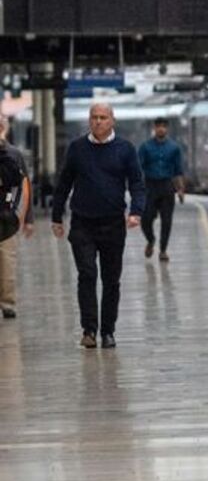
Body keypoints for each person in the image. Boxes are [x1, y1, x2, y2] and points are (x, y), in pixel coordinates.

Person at [50, 102, 145, 349]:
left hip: (113, 223)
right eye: (94, 117)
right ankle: (89, 330)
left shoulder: (125, 149)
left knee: (111, 280)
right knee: (87, 273)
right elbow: (64, 184)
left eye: (103, 117)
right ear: (89, 120)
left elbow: (136, 183)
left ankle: (108, 331)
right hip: (83, 223)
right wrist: (56, 217)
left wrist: (136, 212)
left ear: (112, 120)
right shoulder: (77, 149)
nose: (98, 122)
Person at [137, 116, 187, 263]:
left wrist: (181, 189)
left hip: (167, 187)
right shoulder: (145, 147)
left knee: (167, 220)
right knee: (146, 219)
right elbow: (138, 169)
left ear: (167, 129)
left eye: (164, 126)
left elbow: (178, 170)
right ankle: (151, 240)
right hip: (150, 186)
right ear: (154, 128)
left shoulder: (174, 148)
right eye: (158, 126)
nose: (161, 129)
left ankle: (163, 250)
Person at [0, 118, 32, 320]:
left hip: (6, 216)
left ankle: (7, 303)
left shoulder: (13, 155)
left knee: (7, 260)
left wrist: (26, 218)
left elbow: (25, 186)